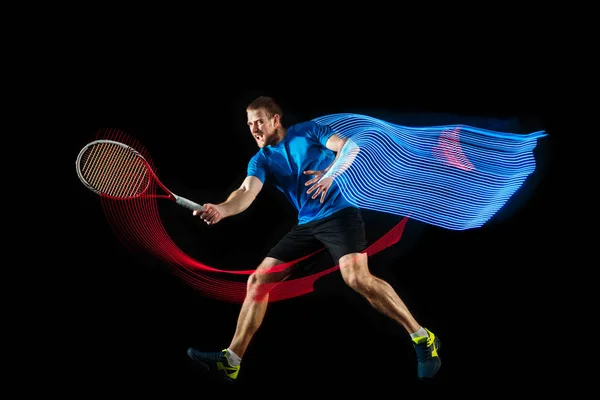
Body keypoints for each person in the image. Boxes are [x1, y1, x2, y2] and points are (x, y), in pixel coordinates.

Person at [187, 96, 441, 383]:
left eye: (259, 121)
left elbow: (350, 147)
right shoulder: (262, 159)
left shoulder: (308, 131)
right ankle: (231, 360)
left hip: (340, 214)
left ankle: (422, 337)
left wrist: (331, 175)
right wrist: (221, 209)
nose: (254, 129)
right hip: (307, 224)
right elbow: (245, 193)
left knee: (356, 278)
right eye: (249, 125)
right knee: (258, 281)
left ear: (275, 119)